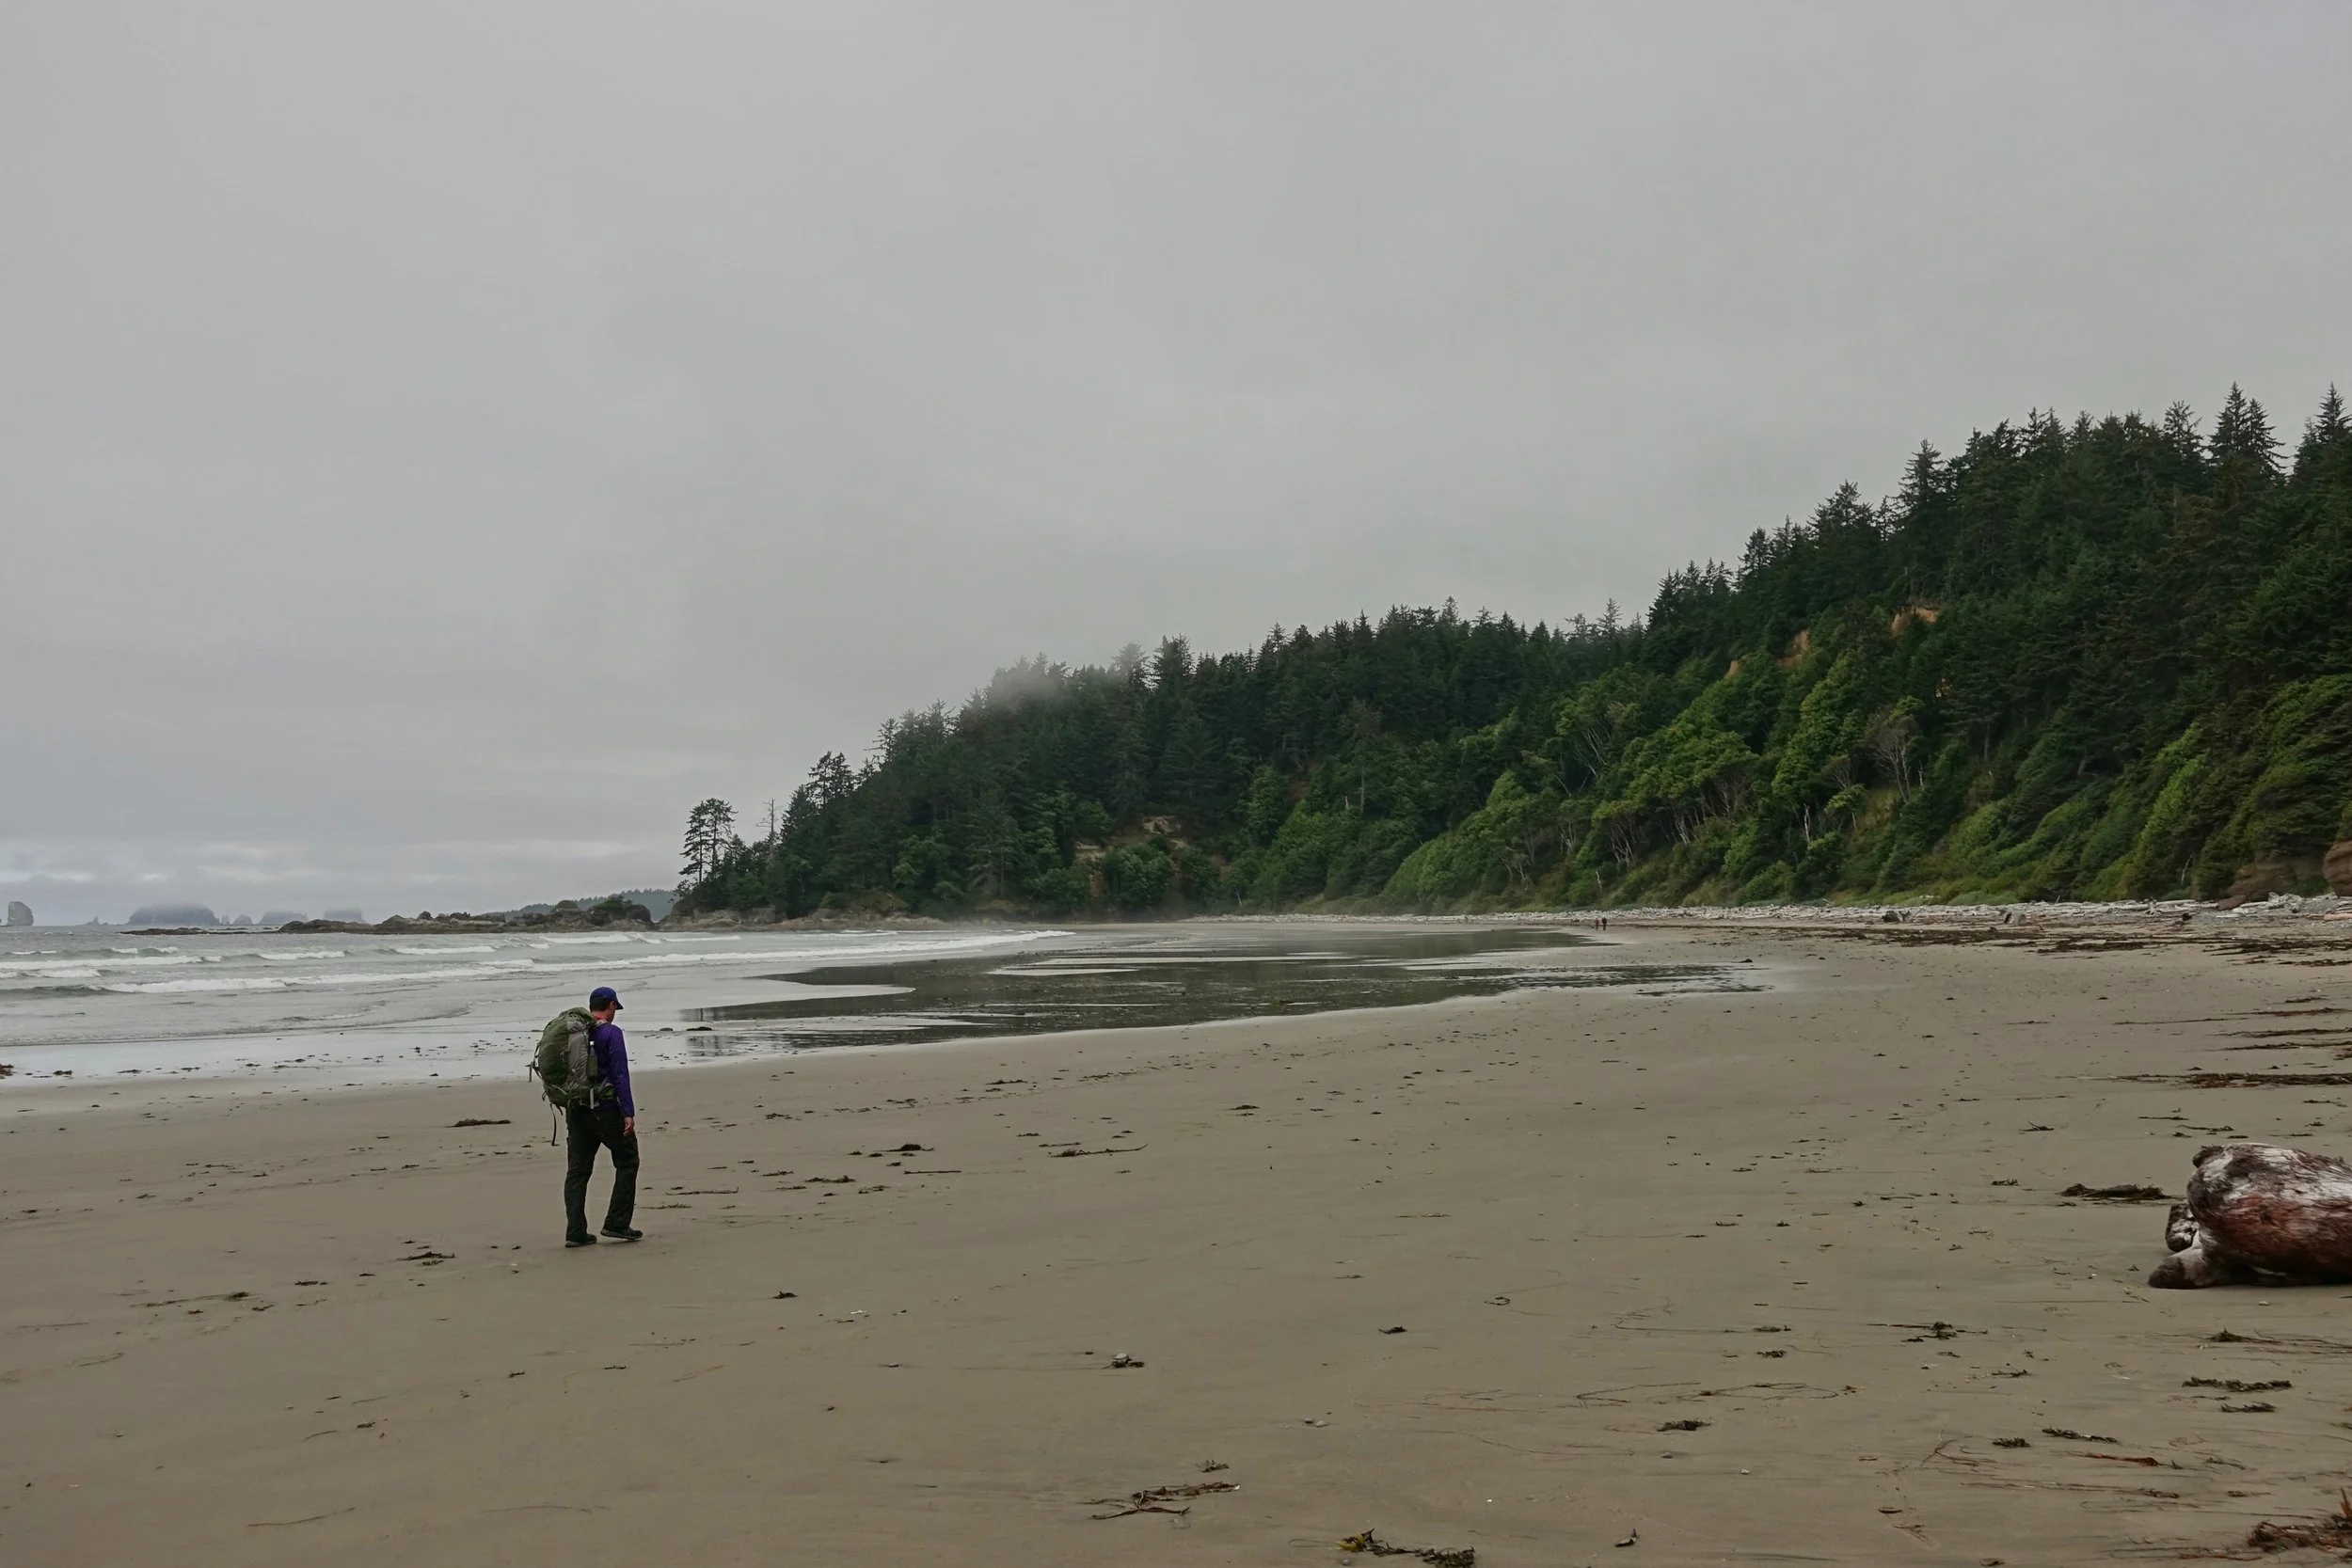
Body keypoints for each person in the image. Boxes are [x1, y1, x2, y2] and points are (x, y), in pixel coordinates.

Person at [564, 984, 641, 1246]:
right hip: (606, 1109)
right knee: (628, 1160)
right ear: (610, 1006)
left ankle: (575, 1232)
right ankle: (617, 1223)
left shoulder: (574, 1033)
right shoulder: (611, 1033)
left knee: (577, 1171)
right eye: (614, 1007)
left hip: (576, 1109)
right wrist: (628, 1112)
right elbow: (620, 1075)